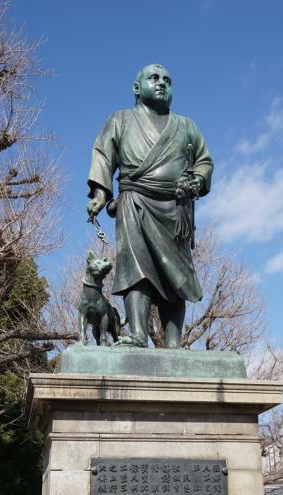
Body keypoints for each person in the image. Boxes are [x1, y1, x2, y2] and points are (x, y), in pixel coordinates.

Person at [86, 64, 213, 348]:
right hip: (135, 202)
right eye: (154, 78)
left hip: (176, 208)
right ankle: (138, 334)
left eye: (167, 80)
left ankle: (173, 343)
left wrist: (198, 180)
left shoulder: (187, 126)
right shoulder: (119, 120)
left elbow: (204, 162)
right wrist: (99, 194)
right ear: (136, 87)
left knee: (177, 277)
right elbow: (104, 156)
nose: (162, 83)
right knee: (135, 267)